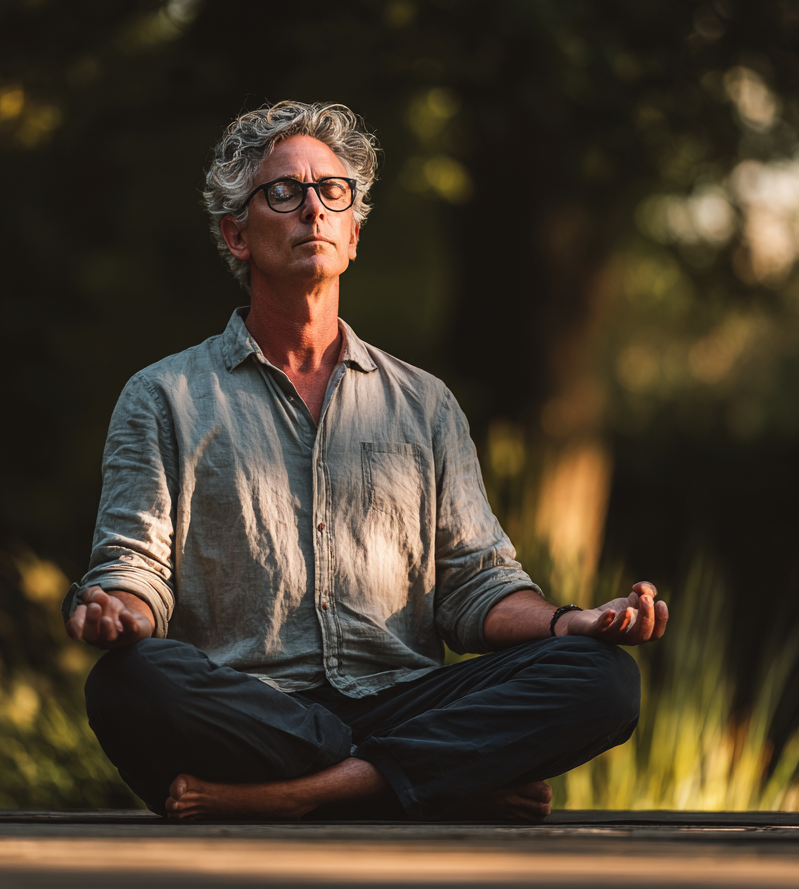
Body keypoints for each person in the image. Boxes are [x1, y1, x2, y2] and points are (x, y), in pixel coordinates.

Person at [63, 101, 668, 823]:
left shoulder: (426, 403)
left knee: (602, 679)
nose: (312, 208)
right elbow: (133, 569)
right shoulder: (163, 396)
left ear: (353, 232)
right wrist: (117, 612)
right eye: (283, 192)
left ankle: (310, 795)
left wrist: (573, 622)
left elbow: (475, 587)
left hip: (401, 701)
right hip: (256, 713)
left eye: (332, 191)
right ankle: (430, 781)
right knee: (128, 682)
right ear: (236, 235)